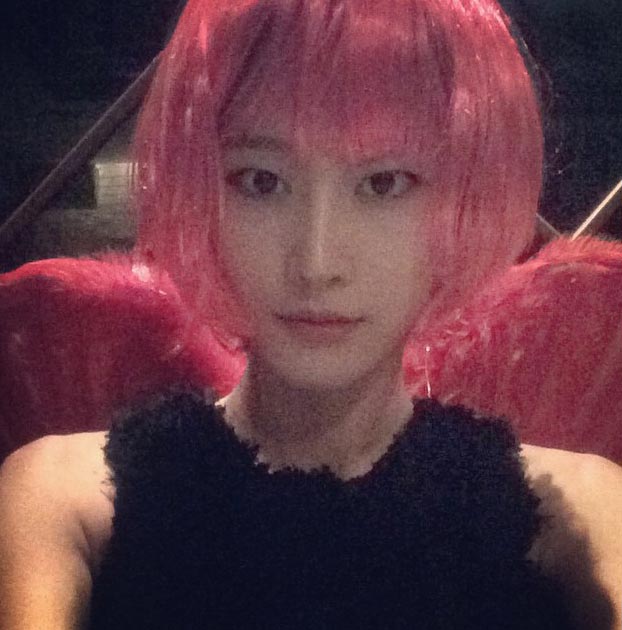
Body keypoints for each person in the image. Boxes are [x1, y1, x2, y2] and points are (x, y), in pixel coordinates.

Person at [1, 0, 621, 628]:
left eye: (384, 183)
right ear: (199, 187)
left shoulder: (581, 515)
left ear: (466, 198)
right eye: (261, 181)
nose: (317, 262)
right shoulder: (66, 498)